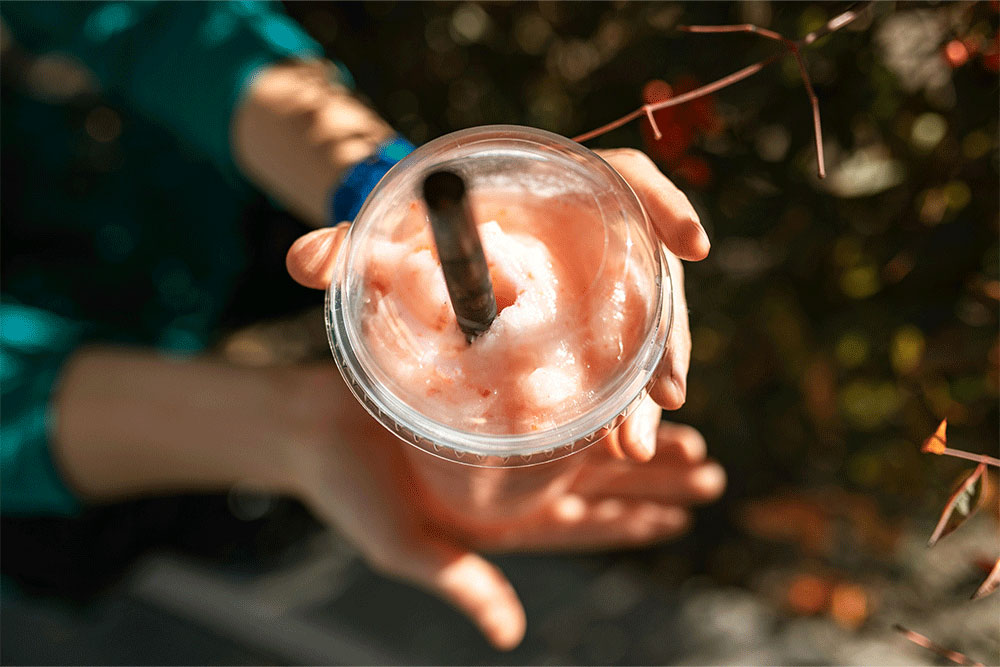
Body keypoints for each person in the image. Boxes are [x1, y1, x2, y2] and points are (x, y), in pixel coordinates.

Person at [0, 2, 724, 650]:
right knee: (227, 535)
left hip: (171, 206)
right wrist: (293, 427)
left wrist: (374, 187)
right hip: (67, 448)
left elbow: (146, 16)